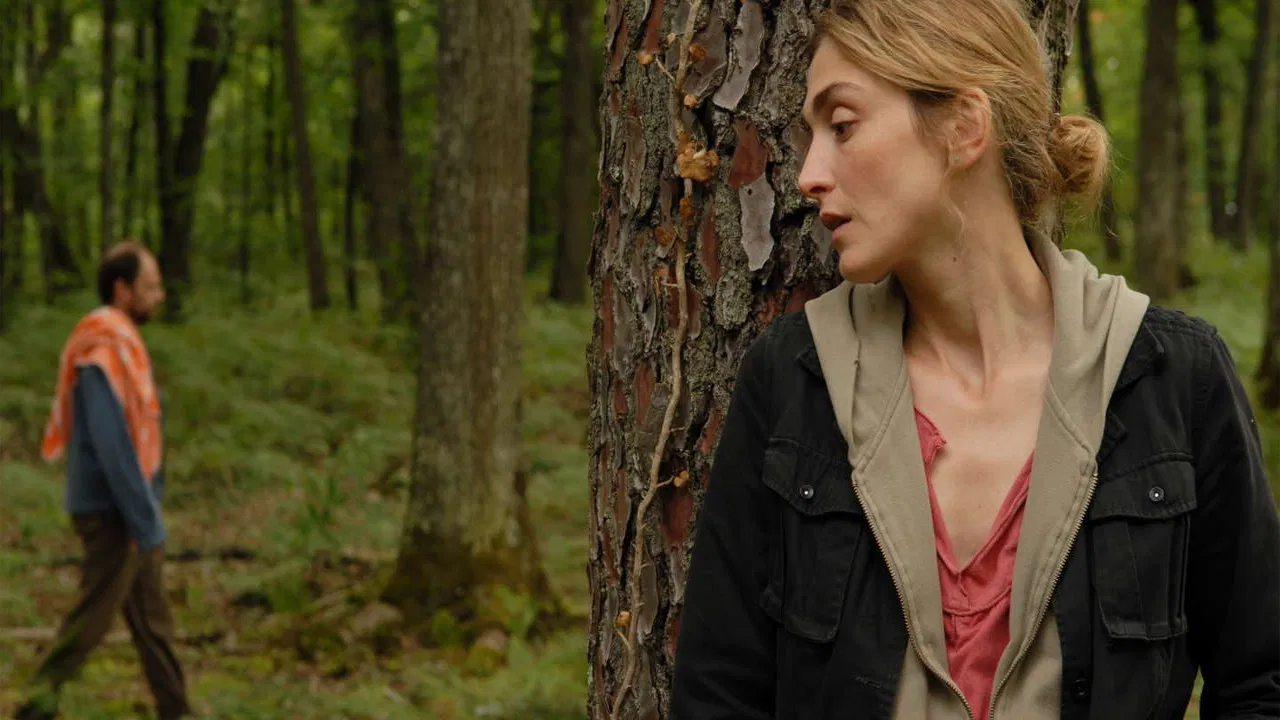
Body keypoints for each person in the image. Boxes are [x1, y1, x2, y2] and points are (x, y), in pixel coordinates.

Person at [669, 0, 1280, 718]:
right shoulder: (793, 381)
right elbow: (717, 697)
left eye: (843, 125)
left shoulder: (1172, 378)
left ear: (964, 127)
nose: (809, 174)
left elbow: (1260, 684)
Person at [17, 241, 190, 720]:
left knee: (153, 622)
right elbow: (112, 445)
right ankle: (34, 709)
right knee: (90, 621)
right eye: (150, 287)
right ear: (122, 289)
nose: (159, 296)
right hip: (113, 512)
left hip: (132, 508)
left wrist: (147, 510)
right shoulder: (101, 349)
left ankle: (177, 710)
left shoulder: (121, 343)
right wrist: (142, 518)